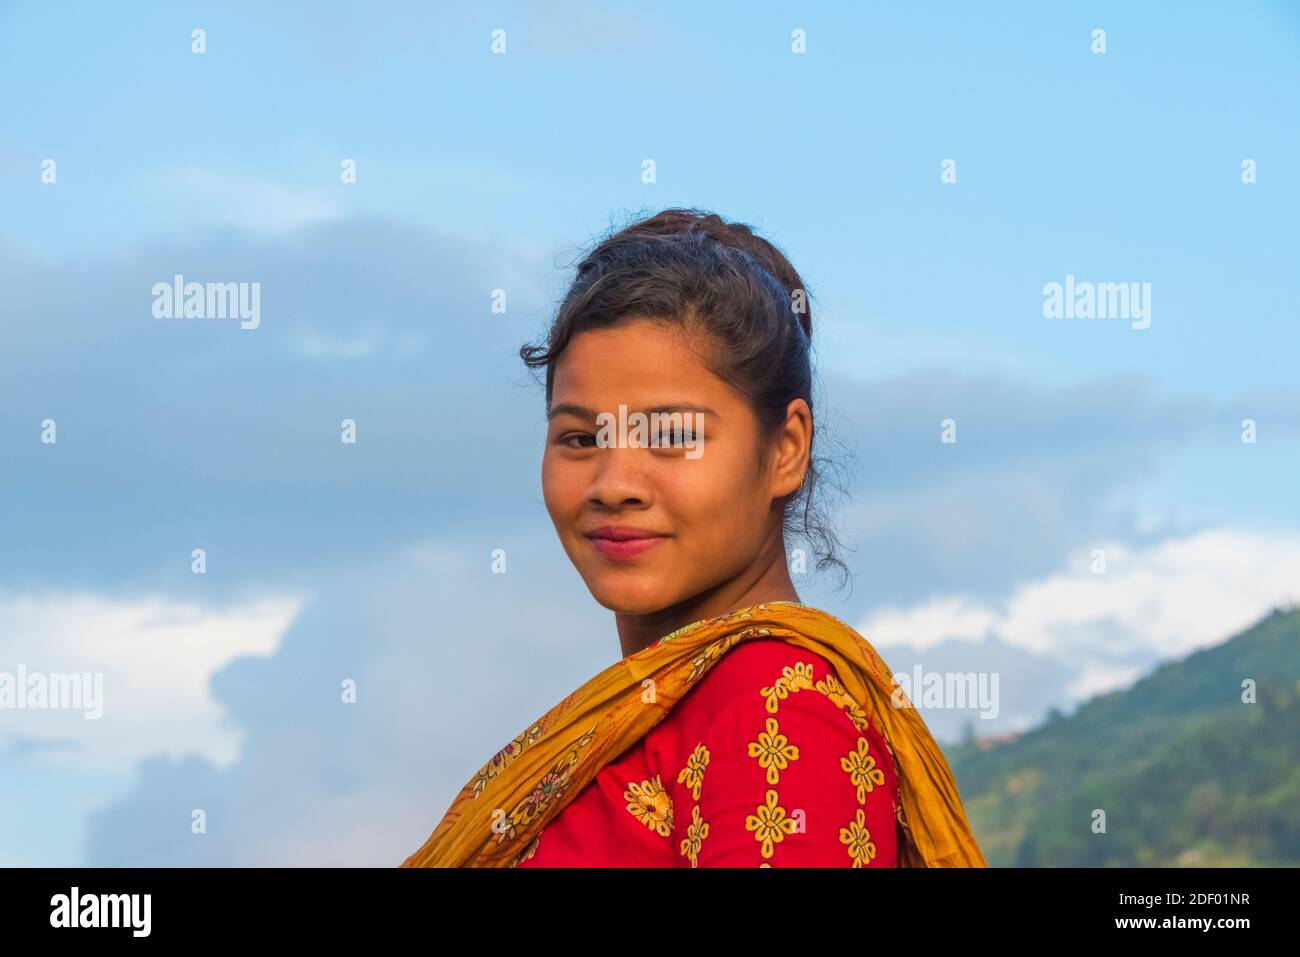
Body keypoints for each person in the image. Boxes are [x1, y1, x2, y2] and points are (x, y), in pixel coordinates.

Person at [400, 208, 985, 867]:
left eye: (673, 436)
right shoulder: (636, 730)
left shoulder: (777, 704)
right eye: (581, 438)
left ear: (786, 448)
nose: (614, 481)